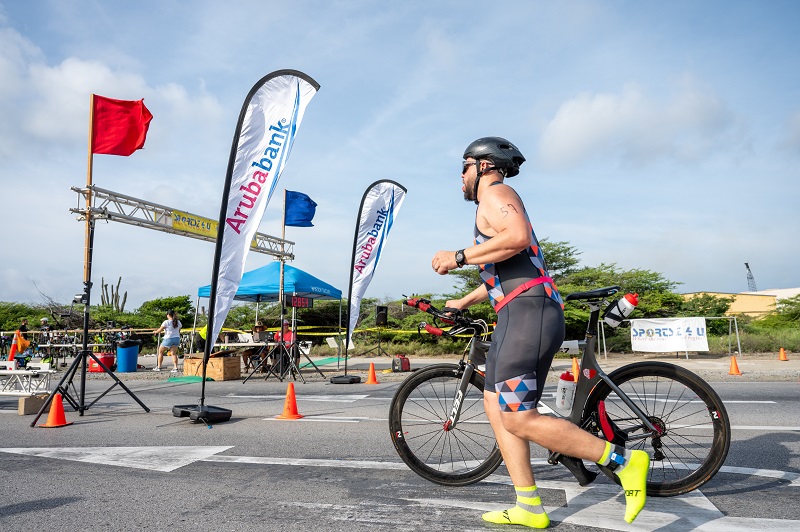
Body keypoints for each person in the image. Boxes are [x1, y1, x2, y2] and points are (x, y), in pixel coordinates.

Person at [430, 137, 649, 528]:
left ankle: (625, 461)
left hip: (528, 315)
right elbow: (507, 266)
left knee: (518, 417)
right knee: (495, 406)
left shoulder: (495, 194)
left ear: (483, 165)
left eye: (462, 168)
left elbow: (517, 238)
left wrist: (458, 256)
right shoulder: (493, 202)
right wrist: (463, 301)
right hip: (518, 311)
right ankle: (529, 505)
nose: (459, 177)